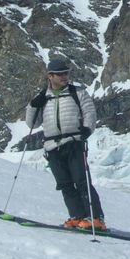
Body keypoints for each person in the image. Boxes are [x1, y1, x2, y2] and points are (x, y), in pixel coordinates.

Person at [26, 56, 105, 231]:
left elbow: (89, 112)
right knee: (65, 184)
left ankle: (95, 218)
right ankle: (77, 216)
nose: (64, 77)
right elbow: (32, 124)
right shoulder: (43, 98)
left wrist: (87, 129)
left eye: (66, 73)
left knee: (82, 181)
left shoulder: (78, 92)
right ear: (50, 76)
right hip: (52, 146)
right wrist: (33, 105)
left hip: (73, 142)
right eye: (60, 74)